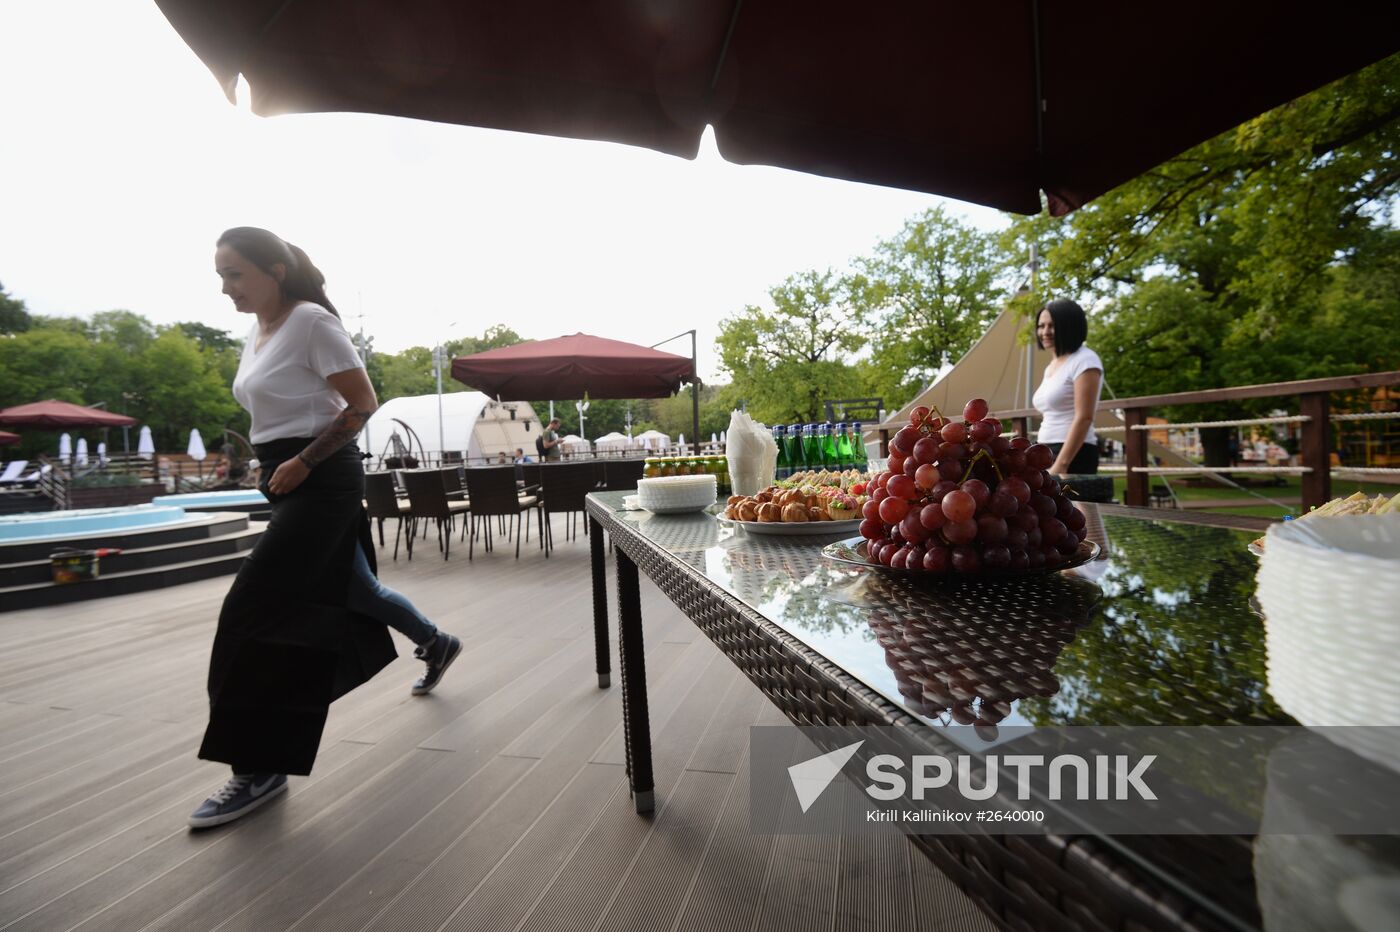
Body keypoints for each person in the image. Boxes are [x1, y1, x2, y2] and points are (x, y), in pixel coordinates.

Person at [189, 227, 462, 830]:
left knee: (249, 613)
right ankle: (437, 642)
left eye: (234, 273)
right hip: (286, 479)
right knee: (356, 589)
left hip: (319, 478)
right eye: (220, 275)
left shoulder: (310, 321)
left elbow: (361, 403)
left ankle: (259, 765)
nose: (224, 287)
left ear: (275, 270)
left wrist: (302, 461)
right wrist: (278, 466)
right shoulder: (258, 333)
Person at [1031, 298, 1103, 476]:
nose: (1045, 332)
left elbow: (1084, 417)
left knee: (1076, 505)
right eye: (1041, 326)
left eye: (1052, 325)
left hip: (1073, 454)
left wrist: (1061, 464)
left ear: (1070, 326)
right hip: (1046, 450)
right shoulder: (1052, 365)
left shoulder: (1085, 360)